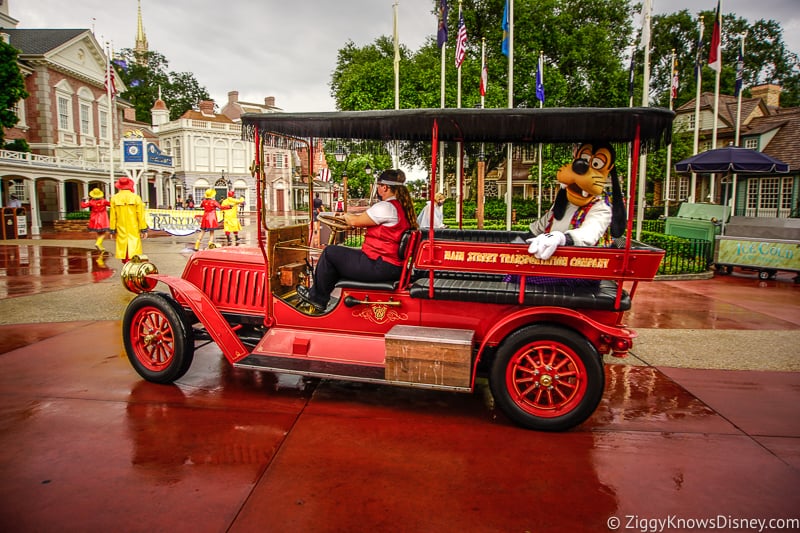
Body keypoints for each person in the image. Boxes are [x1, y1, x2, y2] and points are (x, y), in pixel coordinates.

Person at [296, 169, 418, 312]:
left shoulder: (386, 207)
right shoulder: (399, 207)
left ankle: (317, 298)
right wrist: (345, 219)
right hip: (389, 266)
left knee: (330, 253)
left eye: (378, 185)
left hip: (380, 265)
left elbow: (355, 220)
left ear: (384, 187)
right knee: (342, 257)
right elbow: (364, 219)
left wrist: (347, 217)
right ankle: (329, 300)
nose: (377, 189)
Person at [109, 177, 148, 263]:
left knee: (124, 249)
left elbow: (113, 216)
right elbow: (140, 215)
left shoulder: (114, 198)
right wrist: (143, 229)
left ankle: (126, 267)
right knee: (134, 249)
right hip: (134, 227)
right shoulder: (136, 198)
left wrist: (112, 230)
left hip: (121, 227)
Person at [81, 188, 111, 252]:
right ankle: (98, 243)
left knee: (98, 232)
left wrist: (83, 200)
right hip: (102, 218)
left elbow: (83, 206)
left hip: (94, 218)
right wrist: (111, 198)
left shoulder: (91, 202)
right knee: (104, 232)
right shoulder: (104, 201)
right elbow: (111, 204)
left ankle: (100, 245)